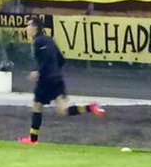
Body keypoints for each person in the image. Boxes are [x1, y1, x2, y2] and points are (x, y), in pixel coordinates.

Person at [18, 15, 106, 144]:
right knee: (63, 110)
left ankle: (33, 139)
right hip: (57, 79)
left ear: (35, 27)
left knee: (37, 107)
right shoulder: (50, 40)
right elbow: (60, 59)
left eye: (29, 25)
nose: (26, 28)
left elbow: (47, 59)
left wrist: (38, 72)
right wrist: (54, 71)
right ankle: (90, 107)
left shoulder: (39, 42)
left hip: (46, 80)